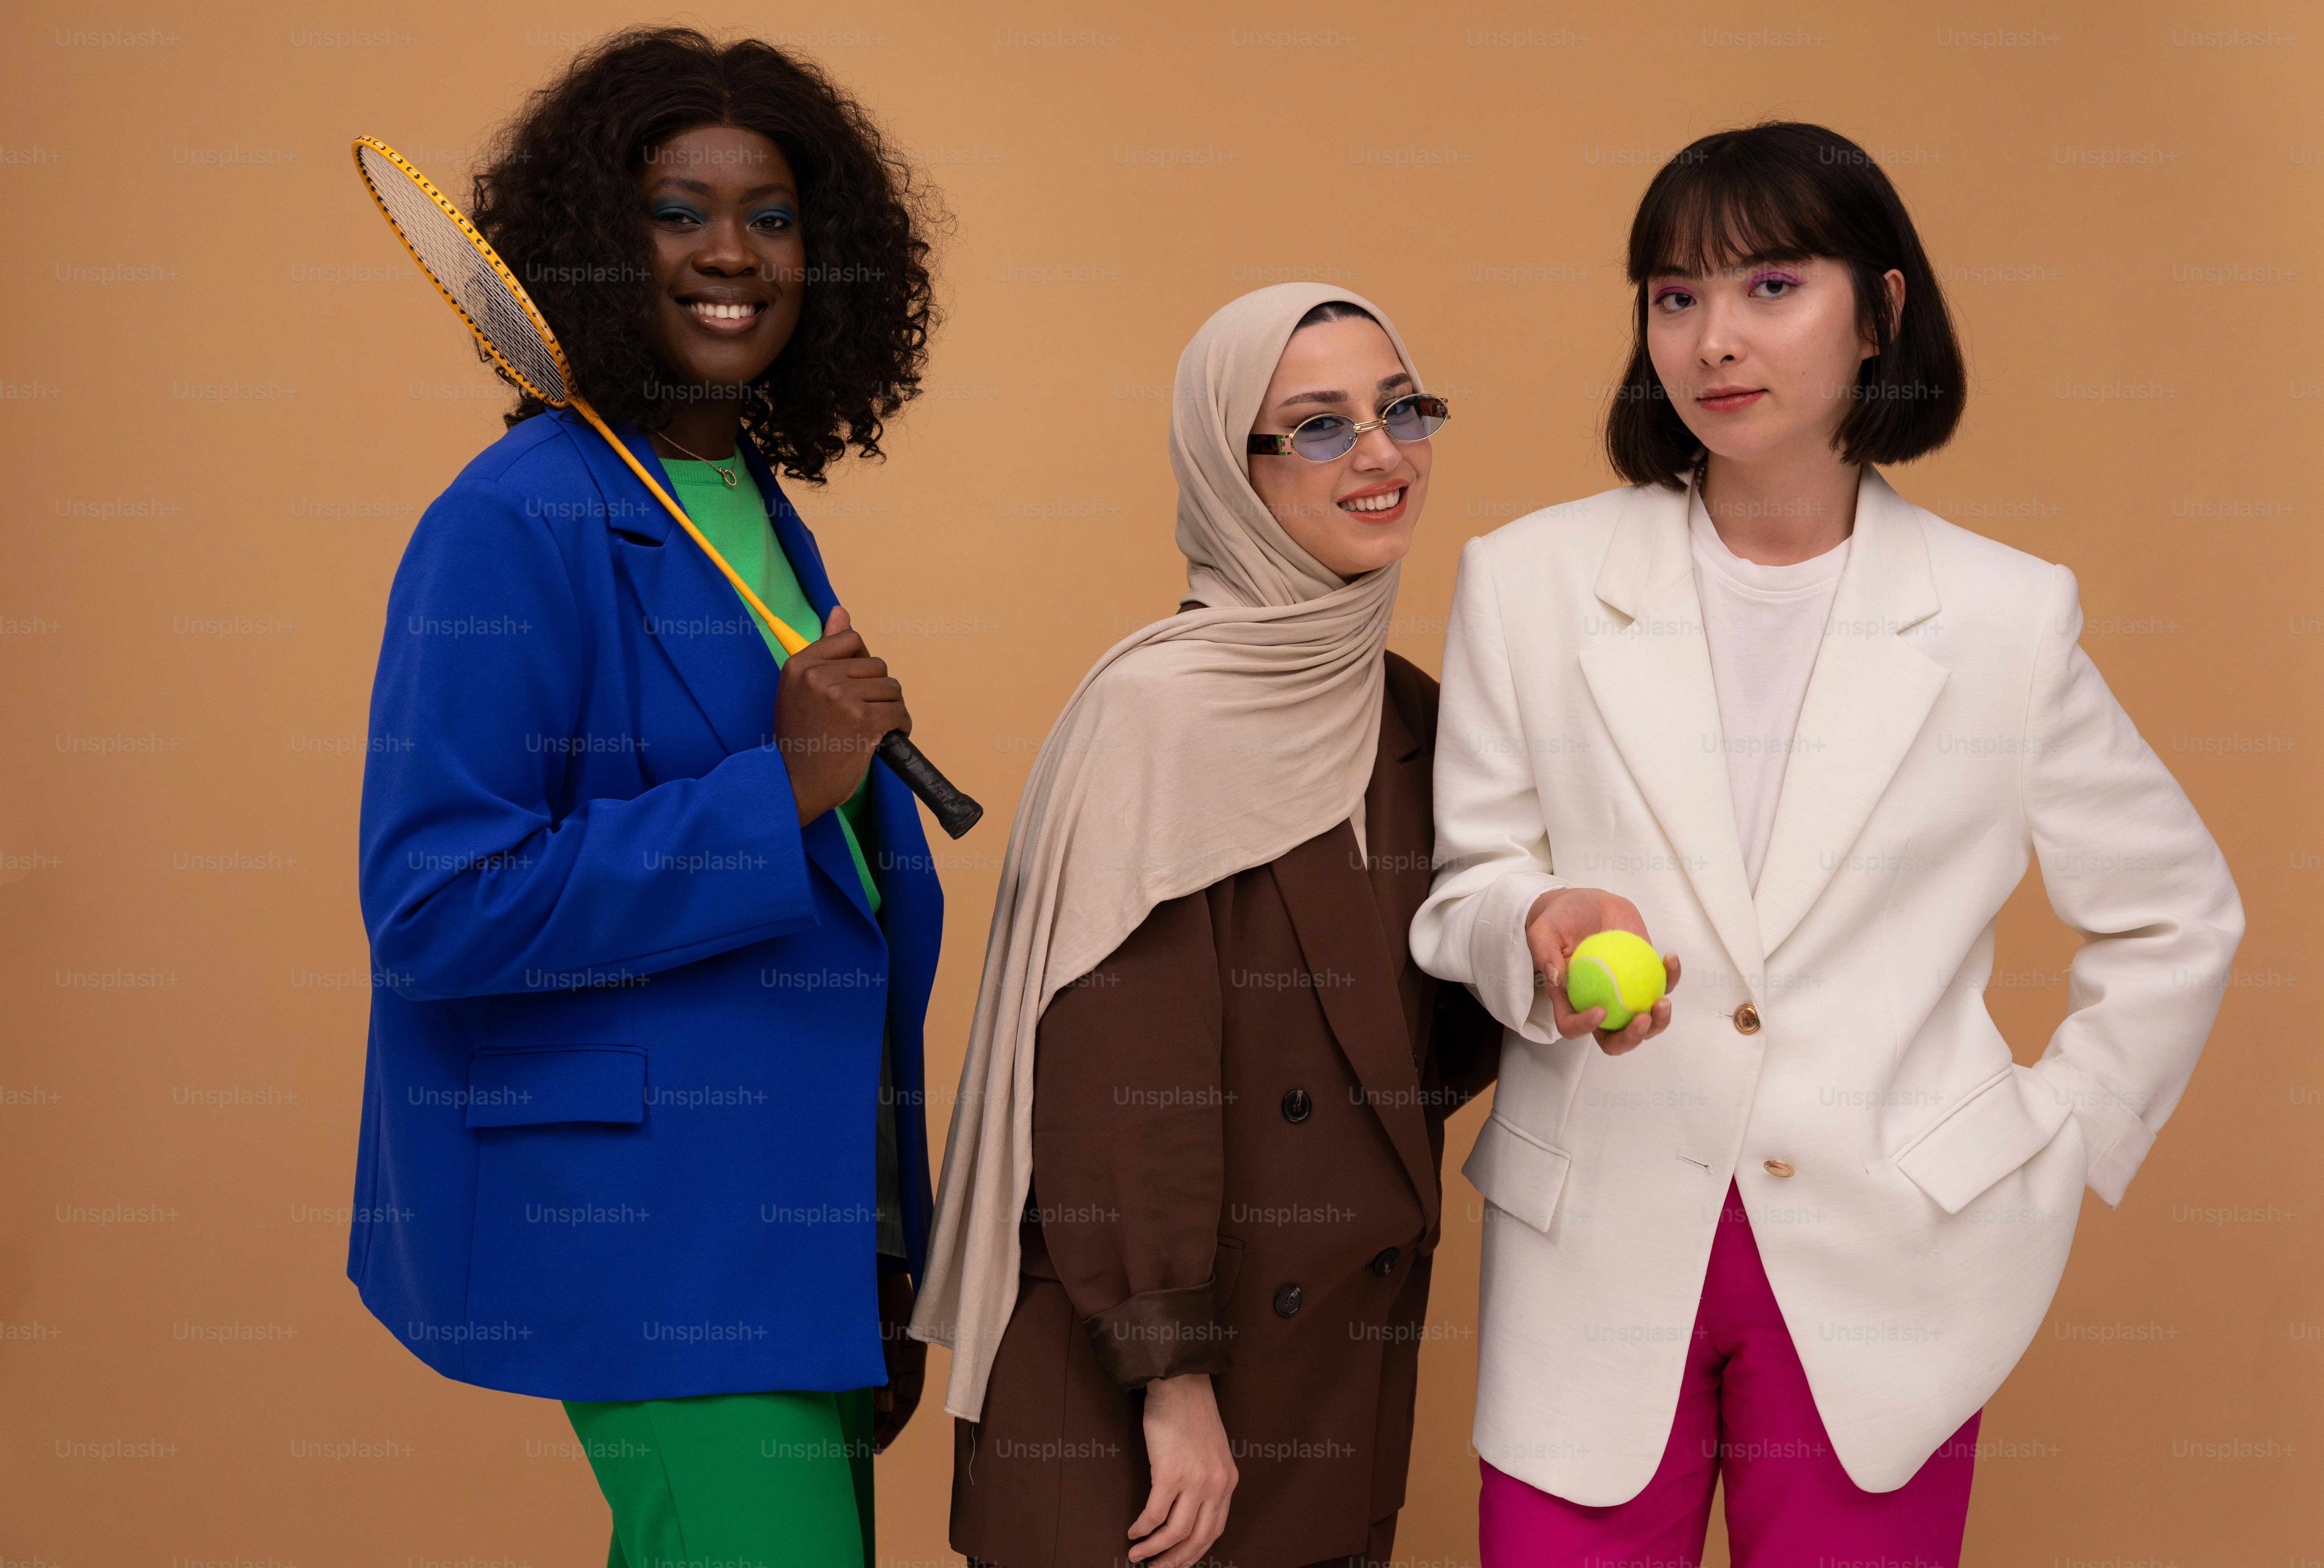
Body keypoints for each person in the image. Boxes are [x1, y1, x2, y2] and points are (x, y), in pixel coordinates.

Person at [1412, 121, 2244, 1566]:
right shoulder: (1528, 579)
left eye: (1769, 287)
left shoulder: (2004, 615)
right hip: (1591, 1241)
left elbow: (2177, 913)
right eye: (1674, 297)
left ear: (1883, 313)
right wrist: (1529, 928)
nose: (1713, 340)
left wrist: (2048, 1139)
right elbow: (1465, 887)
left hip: (1885, 1268)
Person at [351, 29, 946, 1566]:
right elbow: (433, 910)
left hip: (797, 1228)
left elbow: (851, 929)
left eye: (772, 214)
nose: (730, 252)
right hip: (660, 1233)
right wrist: (777, 792)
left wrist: (884, 1242)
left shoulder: (751, 501)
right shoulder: (514, 520)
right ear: (598, 244)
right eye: (679, 211)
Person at [910, 284, 1502, 1568]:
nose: (1385, 454)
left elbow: (1410, 1053)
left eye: (1402, 408)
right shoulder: (1161, 717)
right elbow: (1124, 1090)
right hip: (1143, 1394)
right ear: (1228, 468)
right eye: (1322, 426)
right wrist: (1170, 1382)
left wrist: (1544, 961)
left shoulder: (1409, 714)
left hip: (1330, 1380)